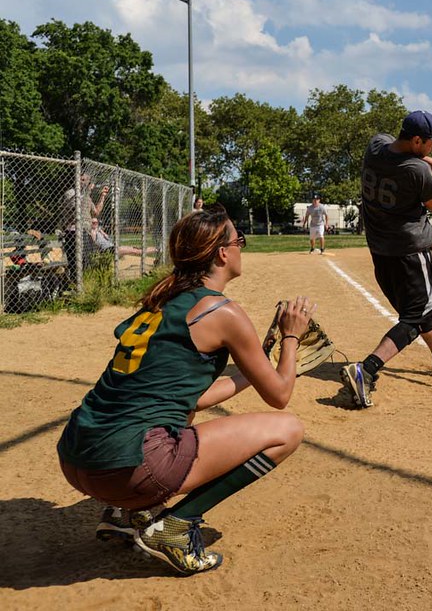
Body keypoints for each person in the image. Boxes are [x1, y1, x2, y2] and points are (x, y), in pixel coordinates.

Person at [56, 204, 312, 575]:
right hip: (126, 469)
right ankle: (175, 525)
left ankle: (126, 514)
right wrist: (292, 336)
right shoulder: (221, 311)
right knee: (287, 430)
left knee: (175, 415)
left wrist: (254, 370)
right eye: (238, 240)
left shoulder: (160, 302)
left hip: (77, 456)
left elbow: (185, 398)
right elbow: (280, 395)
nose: (241, 246)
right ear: (223, 253)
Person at [341, 110, 432, 409]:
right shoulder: (415, 171)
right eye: (431, 141)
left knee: (417, 308)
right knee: (418, 313)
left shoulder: (377, 145)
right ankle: (366, 369)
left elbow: (420, 159)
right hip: (410, 250)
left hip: (381, 248)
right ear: (417, 140)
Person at [62, 173, 109, 283]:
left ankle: (82, 284)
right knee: (75, 263)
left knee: (85, 261)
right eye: (80, 179)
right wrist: (88, 191)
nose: (81, 181)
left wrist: (102, 196)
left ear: (88, 182)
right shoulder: (71, 193)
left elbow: (96, 212)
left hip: (85, 232)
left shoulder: (87, 196)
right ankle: (74, 286)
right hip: (73, 232)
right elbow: (75, 209)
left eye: (84, 180)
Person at [89, 217, 156, 258]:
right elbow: (94, 243)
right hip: (108, 250)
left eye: (96, 222)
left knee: (134, 248)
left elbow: (107, 237)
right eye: (93, 223)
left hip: (112, 247)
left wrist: (101, 232)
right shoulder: (93, 232)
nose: (95, 224)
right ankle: (156, 250)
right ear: (91, 223)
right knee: (135, 251)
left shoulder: (99, 231)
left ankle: (156, 249)